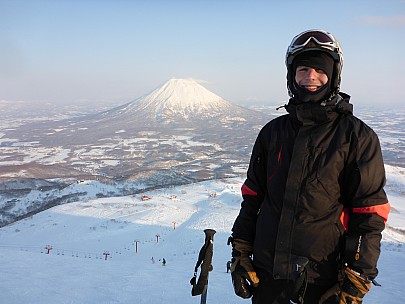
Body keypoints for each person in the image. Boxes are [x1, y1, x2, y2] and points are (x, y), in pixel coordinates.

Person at [229, 29, 390, 303]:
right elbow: (253, 197)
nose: (310, 77)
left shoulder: (356, 137)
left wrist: (356, 279)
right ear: (292, 75)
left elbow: (369, 213)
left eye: (319, 69)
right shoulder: (272, 133)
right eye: (303, 69)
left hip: (322, 281)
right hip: (268, 275)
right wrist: (241, 249)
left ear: (334, 75)